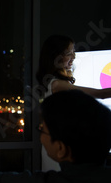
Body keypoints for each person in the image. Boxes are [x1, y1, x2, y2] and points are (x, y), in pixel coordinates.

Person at [36, 34, 111, 171]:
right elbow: (101, 94)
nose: (74, 57)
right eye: (69, 53)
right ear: (55, 57)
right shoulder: (57, 84)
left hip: (61, 146)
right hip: (58, 147)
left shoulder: (55, 82)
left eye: (73, 52)